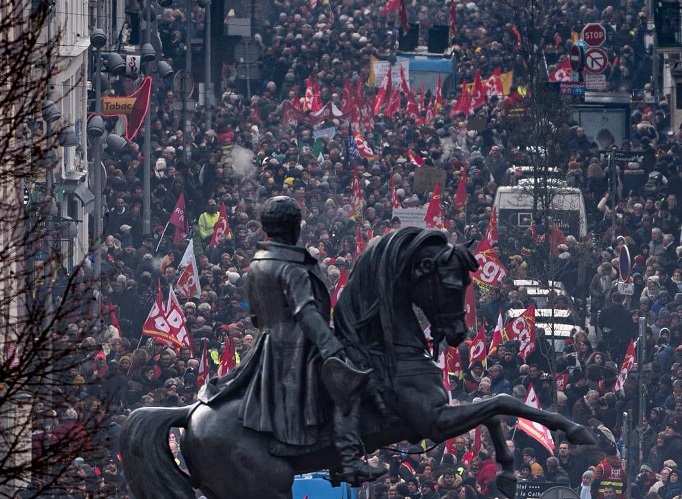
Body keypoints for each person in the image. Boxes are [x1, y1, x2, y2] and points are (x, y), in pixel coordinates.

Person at [199, 196, 384, 485]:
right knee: (346, 381)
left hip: (266, 344)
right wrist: (330, 346)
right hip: (297, 346)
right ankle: (349, 461)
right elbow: (306, 312)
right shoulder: (291, 267)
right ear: (294, 228)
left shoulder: (258, 263)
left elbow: (257, 318)